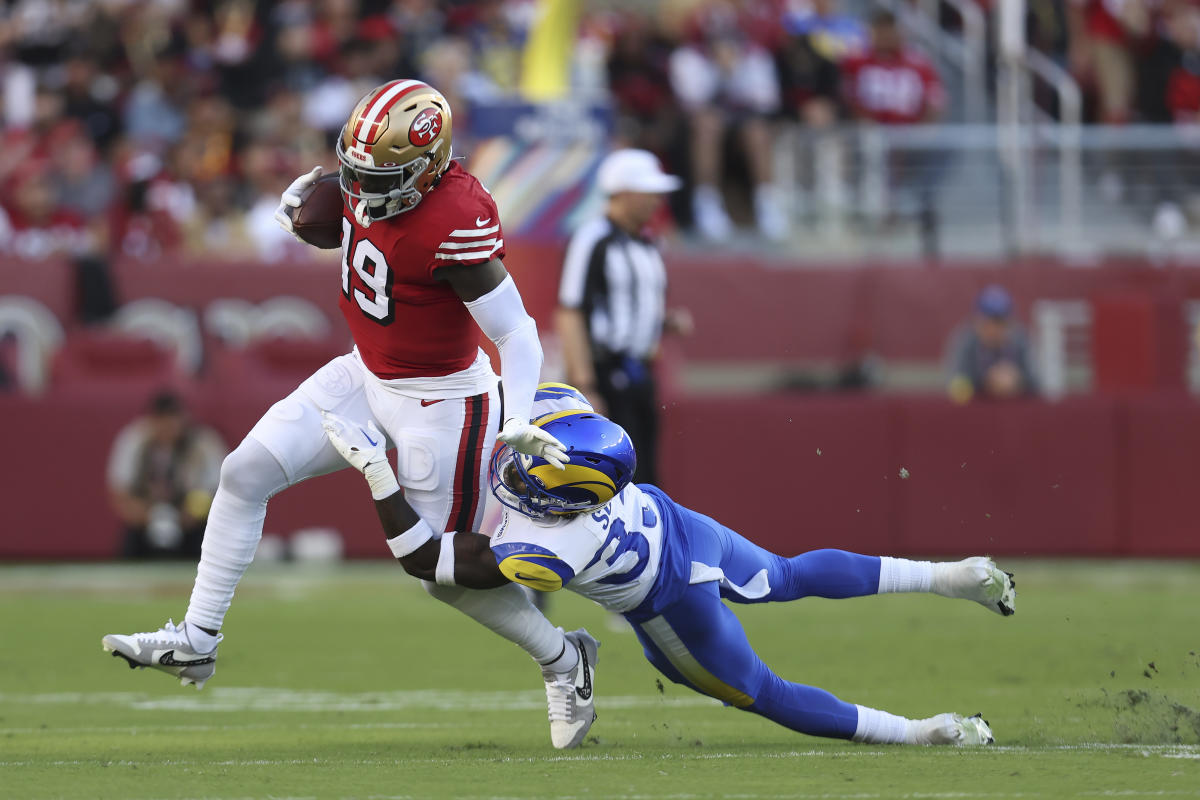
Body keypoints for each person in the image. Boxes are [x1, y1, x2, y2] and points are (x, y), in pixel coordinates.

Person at [102, 79, 598, 750]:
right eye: (355, 169)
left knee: (440, 573)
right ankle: (196, 638)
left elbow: (517, 333)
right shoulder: (378, 179)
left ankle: (564, 658)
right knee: (243, 472)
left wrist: (516, 416)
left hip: (442, 400)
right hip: (366, 372)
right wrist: (310, 204)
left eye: (378, 175)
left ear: (426, 166)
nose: (360, 187)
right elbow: (348, 219)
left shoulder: (455, 216)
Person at [317, 385, 1015, 747]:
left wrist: (379, 474)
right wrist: (523, 425)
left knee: (764, 692)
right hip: (680, 527)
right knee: (792, 573)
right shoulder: (572, 434)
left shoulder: (544, 550)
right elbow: (554, 406)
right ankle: (946, 574)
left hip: (669, 602)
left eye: (531, 469)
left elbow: (427, 561)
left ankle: (921, 731)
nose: (517, 469)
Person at [557, 149, 692, 486]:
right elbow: (570, 312)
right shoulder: (594, 238)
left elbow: (627, 307)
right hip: (606, 373)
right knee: (611, 477)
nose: (656, 200)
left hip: (640, 372)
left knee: (647, 476)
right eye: (648, 191)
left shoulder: (646, 243)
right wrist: (585, 387)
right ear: (624, 192)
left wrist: (663, 323)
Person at [107, 391, 227, 559]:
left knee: (204, 546)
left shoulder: (203, 444)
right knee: (130, 546)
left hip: (190, 523)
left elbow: (215, 491)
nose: (167, 429)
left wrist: (184, 517)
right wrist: (150, 517)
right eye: (161, 421)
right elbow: (120, 493)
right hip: (144, 522)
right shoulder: (134, 440)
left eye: (172, 421)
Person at [946, 285, 1040, 403]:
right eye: (988, 323)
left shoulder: (1021, 340)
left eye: (1000, 323)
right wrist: (987, 381)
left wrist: (1017, 381)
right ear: (976, 321)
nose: (994, 329)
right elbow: (954, 382)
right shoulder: (965, 342)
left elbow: (1037, 383)